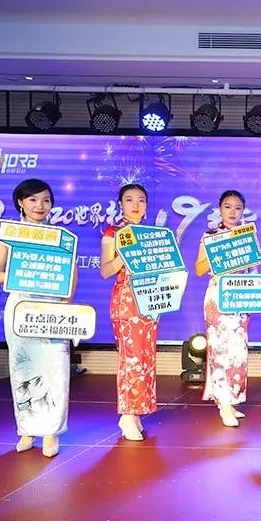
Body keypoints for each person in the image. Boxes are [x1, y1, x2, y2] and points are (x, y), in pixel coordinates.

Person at [0, 179, 73, 458]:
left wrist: (64, 300)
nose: (40, 205)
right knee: (23, 370)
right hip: (21, 308)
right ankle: (27, 429)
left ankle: (51, 433)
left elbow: (70, 277)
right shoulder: (8, 234)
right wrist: (26, 277)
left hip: (52, 310)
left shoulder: (61, 237)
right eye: (33, 199)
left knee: (56, 368)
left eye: (46, 200)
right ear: (20, 203)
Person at [100, 183, 157, 441]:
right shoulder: (113, 233)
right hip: (126, 301)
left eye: (141, 200)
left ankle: (136, 411)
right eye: (129, 199)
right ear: (120, 204)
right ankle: (127, 413)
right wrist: (125, 254)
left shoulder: (153, 235)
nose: (136, 205)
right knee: (130, 358)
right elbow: (105, 270)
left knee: (145, 358)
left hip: (151, 301)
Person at [195, 190, 251, 427]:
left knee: (238, 351)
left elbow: (252, 268)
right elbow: (199, 269)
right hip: (217, 298)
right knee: (220, 350)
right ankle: (224, 403)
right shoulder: (210, 236)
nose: (233, 212)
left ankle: (231, 399)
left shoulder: (246, 235)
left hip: (240, 297)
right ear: (220, 209)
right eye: (228, 207)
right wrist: (217, 252)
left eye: (238, 208)